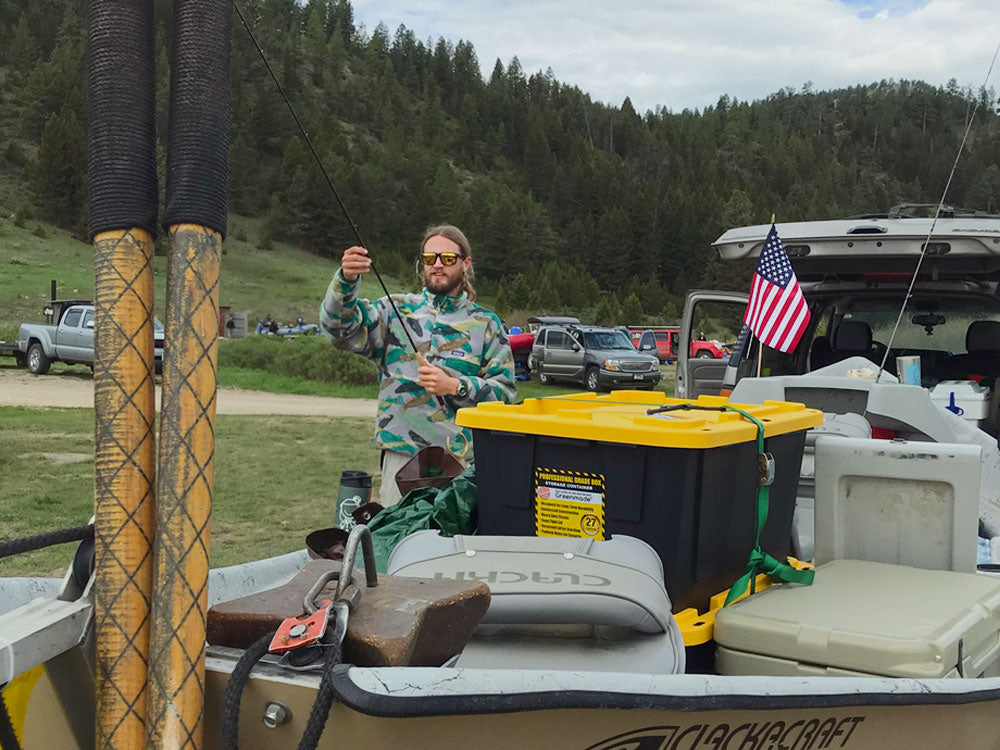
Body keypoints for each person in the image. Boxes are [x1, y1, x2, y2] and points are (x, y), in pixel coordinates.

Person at [320, 224, 515, 506]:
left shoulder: (486, 324)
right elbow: (339, 330)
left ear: (465, 263)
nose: (438, 265)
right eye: (429, 258)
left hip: (459, 462)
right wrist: (346, 281)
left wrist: (456, 387)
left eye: (447, 259)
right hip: (402, 458)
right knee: (396, 541)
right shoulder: (393, 309)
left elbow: (505, 396)